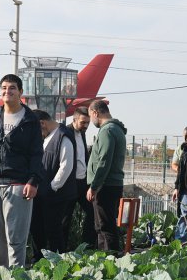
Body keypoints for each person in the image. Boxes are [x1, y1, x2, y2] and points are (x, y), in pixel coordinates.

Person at [0, 74, 45, 268]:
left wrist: (33, 180)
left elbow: (37, 154)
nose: (7, 91)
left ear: (20, 92)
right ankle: (2, 279)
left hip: (18, 185)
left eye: (12, 88)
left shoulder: (30, 120)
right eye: (4, 87)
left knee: (16, 240)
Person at [31, 111, 77, 259]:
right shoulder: (49, 136)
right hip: (43, 193)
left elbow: (66, 166)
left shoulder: (63, 135)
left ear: (42, 123)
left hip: (55, 195)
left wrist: (52, 187)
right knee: (39, 228)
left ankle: (58, 263)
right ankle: (40, 260)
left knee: (53, 230)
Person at [85, 99, 127, 253]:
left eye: (91, 116)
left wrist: (94, 186)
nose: (91, 121)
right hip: (113, 184)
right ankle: (110, 259)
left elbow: (104, 160)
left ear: (95, 113)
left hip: (105, 185)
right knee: (106, 225)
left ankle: (110, 262)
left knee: (104, 227)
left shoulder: (107, 130)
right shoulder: (117, 129)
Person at [67, 106, 96, 248]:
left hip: (83, 183)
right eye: (82, 122)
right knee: (65, 218)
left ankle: (86, 245)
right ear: (74, 120)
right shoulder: (65, 133)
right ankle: (62, 250)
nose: (85, 126)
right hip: (70, 183)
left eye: (87, 123)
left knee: (92, 212)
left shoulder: (82, 134)